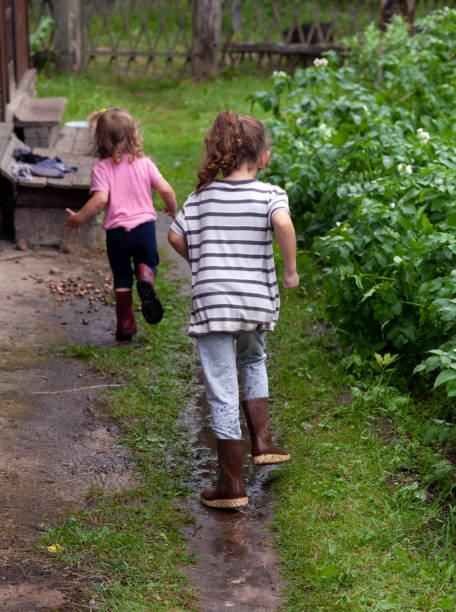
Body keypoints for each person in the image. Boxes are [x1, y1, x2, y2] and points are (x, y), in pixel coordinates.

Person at [168, 110, 299, 509]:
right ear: (263, 157)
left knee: (221, 386)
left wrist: (201, 261)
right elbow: (284, 225)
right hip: (255, 299)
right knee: (254, 359)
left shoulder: (201, 196)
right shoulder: (271, 194)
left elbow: (174, 236)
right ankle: (262, 441)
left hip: (213, 303)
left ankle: (231, 484)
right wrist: (290, 270)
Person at [63, 108, 178, 341]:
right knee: (147, 262)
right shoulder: (145, 164)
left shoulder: (101, 169)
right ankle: (146, 275)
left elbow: (101, 200)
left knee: (122, 276)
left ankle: (125, 324)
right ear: (135, 135)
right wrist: (172, 207)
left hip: (117, 233)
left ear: (100, 141)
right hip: (144, 227)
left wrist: (77, 219)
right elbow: (165, 189)